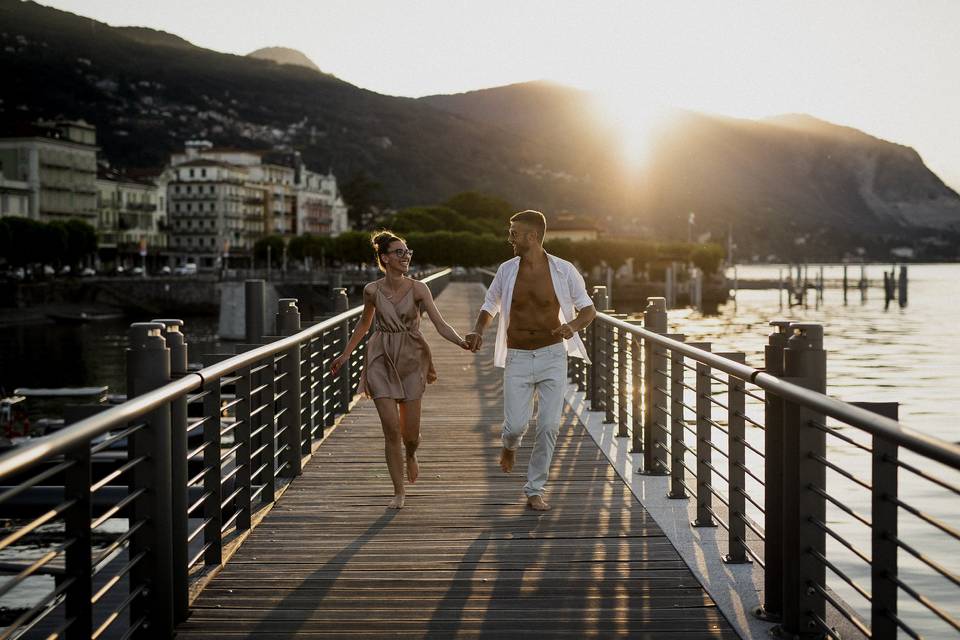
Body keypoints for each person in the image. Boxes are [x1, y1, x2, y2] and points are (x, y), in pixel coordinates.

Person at [465, 210, 596, 511]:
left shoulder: (564, 271)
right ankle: (510, 445)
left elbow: (588, 310)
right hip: (518, 356)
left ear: (532, 237)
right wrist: (478, 330)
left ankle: (535, 489)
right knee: (514, 426)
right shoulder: (507, 270)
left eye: (513, 233)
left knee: (549, 425)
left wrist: (571, 327)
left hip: (552, 355)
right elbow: (490, 304)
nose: (508, 238)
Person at [330, 231, 469, 509]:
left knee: (411, 434)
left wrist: (462, 342)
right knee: (391, 429)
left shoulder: (419, 289)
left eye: (408, 252)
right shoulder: (371, 290)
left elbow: (440, 323)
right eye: (399, 252)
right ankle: (398, 491)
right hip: (380, 356)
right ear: (384, 258)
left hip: (411, 358)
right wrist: (345, 353)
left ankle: (411, 454)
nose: (406, 257)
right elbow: (364, 324)